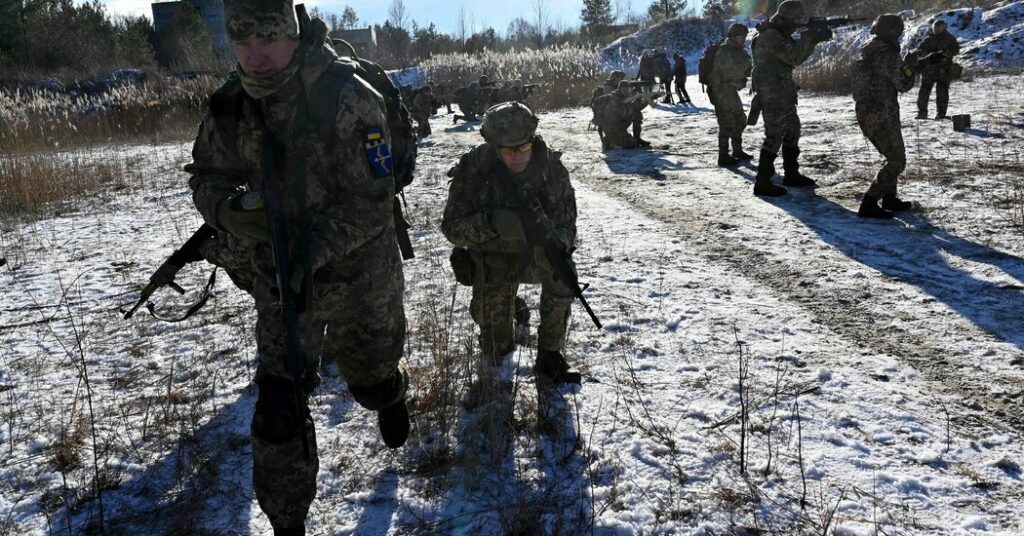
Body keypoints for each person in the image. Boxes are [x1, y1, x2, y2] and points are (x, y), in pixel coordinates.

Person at [186, 1, 408, 533]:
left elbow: (372, 203)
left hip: (362, 273)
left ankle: (386, 395)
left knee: (371, 372)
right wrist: (230, 212)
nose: (256, 58)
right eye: (243, 47)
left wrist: (311, 250)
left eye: (267, 43)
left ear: (294, 36)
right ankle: (288, 521)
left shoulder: (347, 95)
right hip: (284, 283)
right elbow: (205, 177)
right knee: (278, 407)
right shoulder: (230, 105)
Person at [441, 101, 581, 383]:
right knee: (497, 349)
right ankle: (507, 309)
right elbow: (452, 228)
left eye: (523, 148)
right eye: (507, 150)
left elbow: (568, 223)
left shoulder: (551, 168)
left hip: (536, 255)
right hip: (493, 260)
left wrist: (555, 242)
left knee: (563, 276)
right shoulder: (474, 170)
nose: (517, 156)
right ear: (493, 147)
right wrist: (490, 223)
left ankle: (550, 355)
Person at [751, 0, 832, 197]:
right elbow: (794, 56)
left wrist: (813, 38)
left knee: (792, 130)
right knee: (775, 133)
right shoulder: (770, 36)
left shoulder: (778, 34)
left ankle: (791, 173)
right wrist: (811, 37)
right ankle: (762, 181)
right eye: (794, 20)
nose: (796, 24)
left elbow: (797, 54)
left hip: (783, 90)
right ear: (784, 18)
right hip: (772, 92)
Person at [854, 14, 918, 218]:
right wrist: (911, 68)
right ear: (894, 32)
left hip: (868, 112)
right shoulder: (888, 55)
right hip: (882, 113)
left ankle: (889, 198)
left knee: (891, 156)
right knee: (897, 160)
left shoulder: (871, 50)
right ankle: (870, 202)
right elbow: (904, 84)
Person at [711, 23, 754, 167]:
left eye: (744, 37)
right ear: (733, 37)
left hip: (730, 91)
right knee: (726, 123)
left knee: (740, 119)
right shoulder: (724, 51)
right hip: (721, 92)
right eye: (741, 37)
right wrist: (746, 64)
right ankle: (723, 156)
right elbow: (732, 72)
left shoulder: (738, 51)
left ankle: (737, 150)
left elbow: (746, 69)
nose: (743, 39)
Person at [915, 19, 960, 120]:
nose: (936, 29)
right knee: (923, 93)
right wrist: (921, 54)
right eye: (935, 27)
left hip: (943, 71)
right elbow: (920, 52)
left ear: (944, 27)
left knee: (942, 93)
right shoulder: (927, 39)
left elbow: (956, 50)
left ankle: (941, 114)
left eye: (939, 27)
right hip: (928, 71)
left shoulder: (949, 38)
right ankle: (922, 113)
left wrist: (945, 53)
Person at [598, 80, 652, 149]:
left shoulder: (624, 97)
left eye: (627, 89)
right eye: (624, 89)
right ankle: (609, 141)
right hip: (612, 127)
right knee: (631, 144)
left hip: (618, 125)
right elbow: (624, 113)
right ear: (619, 89)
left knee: (637, 114)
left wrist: (646, 100)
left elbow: (635, 109)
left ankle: (637, 138)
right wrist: (634, 103)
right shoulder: (615, 98)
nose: (626, 91)